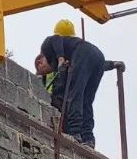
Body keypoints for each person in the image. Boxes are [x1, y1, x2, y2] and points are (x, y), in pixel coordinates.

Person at [39, 18, 114, 148]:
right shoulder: (74, 47)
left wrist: (60, 58)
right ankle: (88, 137)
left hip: (84, 54)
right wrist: (112, 64)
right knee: (86, 100)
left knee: (75, 94)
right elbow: (91, 62)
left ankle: (75, 133)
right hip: (98, 56)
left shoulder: (49, 43)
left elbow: (55, 39)